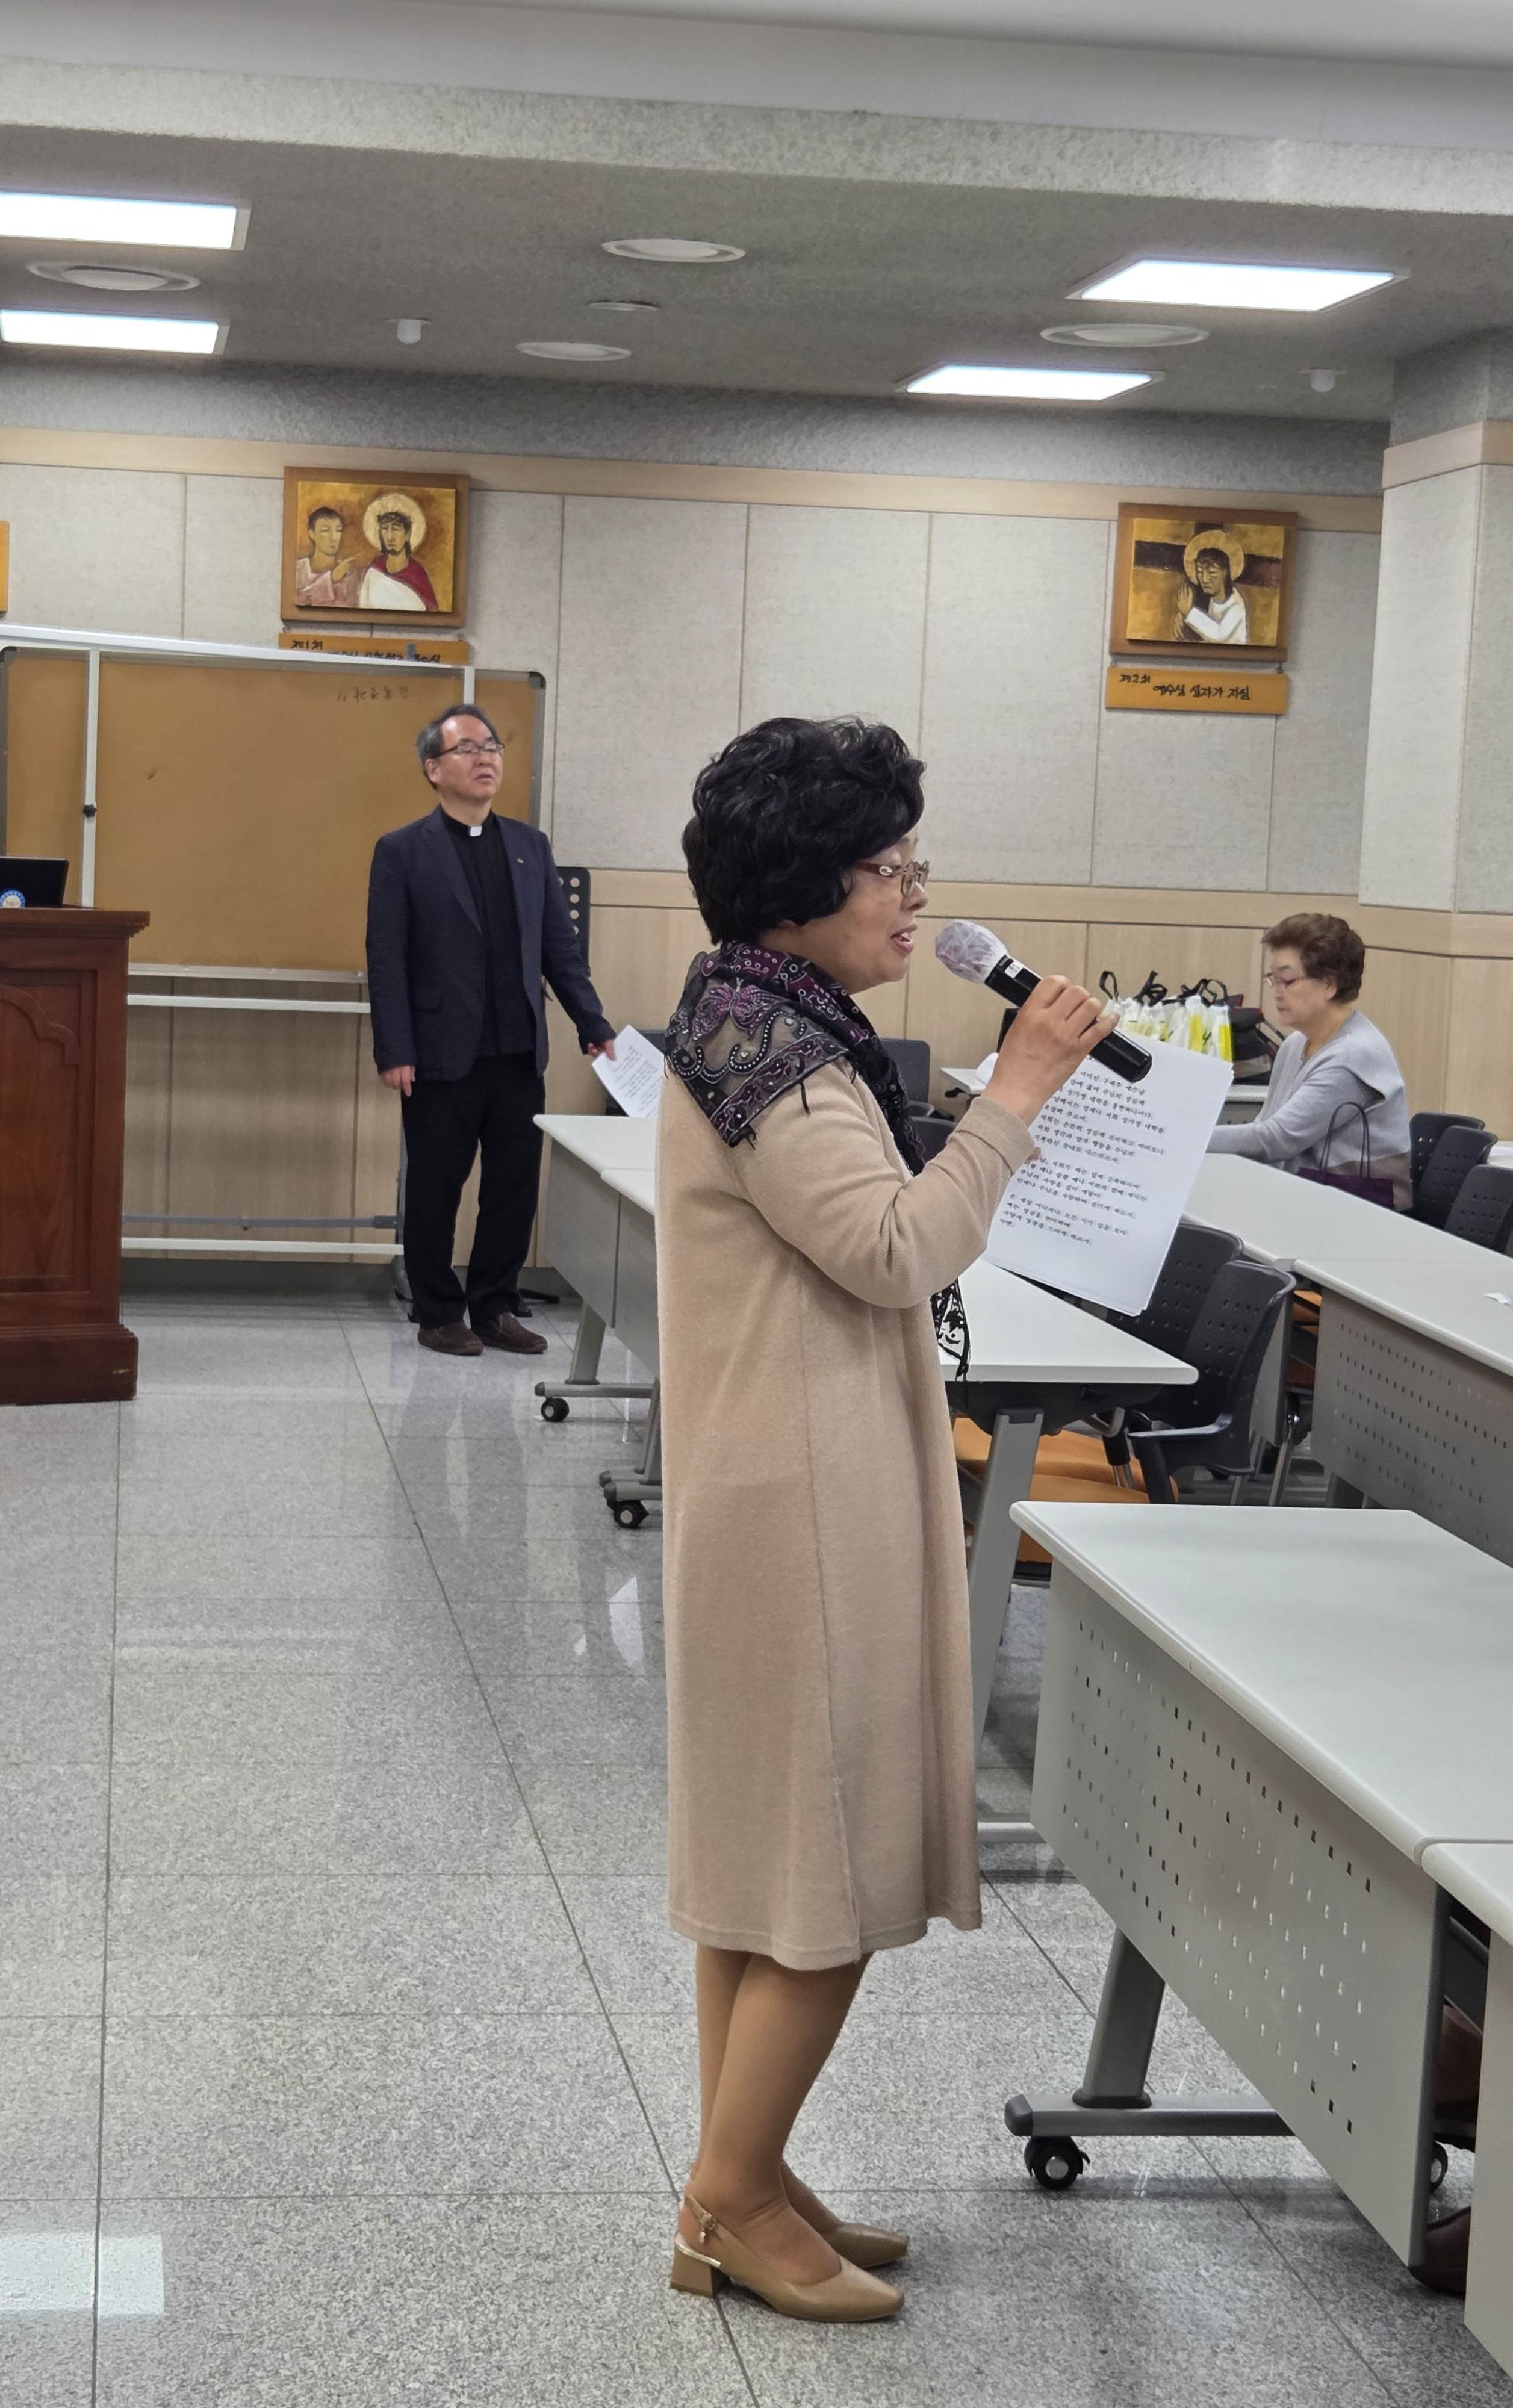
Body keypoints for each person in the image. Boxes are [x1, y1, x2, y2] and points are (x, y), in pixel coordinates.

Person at [657, 716, 1110, 2323]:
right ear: (803, 885)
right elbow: (894, 1247)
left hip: (777, 1472)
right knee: (827, 1876)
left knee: (763, 1865)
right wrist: (1021, 1091)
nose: (915, 897)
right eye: (887, 869)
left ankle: (740, 2172)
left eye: (915, 866)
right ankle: (729, 2196)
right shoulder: (775, 1054)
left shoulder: (753, 1013)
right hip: (804, 1501)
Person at [366, 706, 616, 1356]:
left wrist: (592, 1022)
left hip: (517, 1050)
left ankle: (495, 1305)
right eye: (468, 748)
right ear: (433, 768)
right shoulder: (402, 851)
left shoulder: (531, 847)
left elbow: (559, 949)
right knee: (435, 1186)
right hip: (439, 1052)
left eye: (493, 746)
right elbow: (386, 957)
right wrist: (395, 1049)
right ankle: (436, 1311)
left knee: (512, 1187)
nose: (486, 758)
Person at [1206, 912, 1411, 1207]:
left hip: (1357, 1211)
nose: (1277, 993)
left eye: (1288, 980)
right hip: (1301, 1199)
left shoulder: (1353, 1055)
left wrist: (1183, 1139)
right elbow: (1266, 1126)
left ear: (1329, 985)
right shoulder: (1295, 1044)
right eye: (1272, 980)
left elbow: (1275, 1140)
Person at [359, 494, 438, 612]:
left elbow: (432, 613)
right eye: (385, 529)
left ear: (407, 534)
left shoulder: (418, 575)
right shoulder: (374, 572)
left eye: (396, 529)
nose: (390, 537)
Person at [1172, 531, 1249, 644]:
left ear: (1225, 573)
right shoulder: (1212, 600)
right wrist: (1184, 621)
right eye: (1200, 572)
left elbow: (1219, 635)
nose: (1204, 579)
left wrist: (1189, 613)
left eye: (1212, 572)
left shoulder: (1236, 606)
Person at [294, 504, 360, 609]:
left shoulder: (348, 573)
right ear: (312, 534)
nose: (334, 537)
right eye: (325, 530)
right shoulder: (298, 570)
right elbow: (298, 602)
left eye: (338, 530)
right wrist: (331, 579)